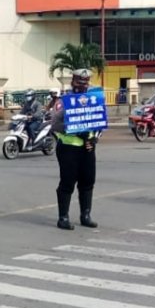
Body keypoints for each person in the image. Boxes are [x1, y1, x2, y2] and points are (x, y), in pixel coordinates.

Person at [50, 68, 99, 230]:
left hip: (88, 147)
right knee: (68, 182)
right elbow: (55, 124)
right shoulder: (63, 101)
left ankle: (86, 215)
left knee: (88, 181)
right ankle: (63, 217)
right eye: (79, 82)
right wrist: (76, 130)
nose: (82, 85)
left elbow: (99, 120)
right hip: (69, 147)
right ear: (73, 82)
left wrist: (93, 137)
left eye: (85, 82)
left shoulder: (94, 99)